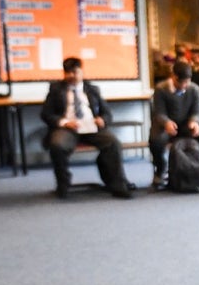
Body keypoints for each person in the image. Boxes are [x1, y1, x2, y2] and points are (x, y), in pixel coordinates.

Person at [40, 57, 132, 200]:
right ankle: (63, 184)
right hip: (68, 128)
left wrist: (102, 120)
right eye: (68, 73)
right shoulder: (56, 89)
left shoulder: (92, 89)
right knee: (57, 145)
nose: (71, 76)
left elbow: (107, 113)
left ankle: (118, 185)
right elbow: (46, 114)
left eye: (75, 72)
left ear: (81, 72)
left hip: (91, 127)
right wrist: (65, 122)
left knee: (113, 143)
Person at [151, 60, 199, 189]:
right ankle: (161, 168)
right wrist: (166, 122)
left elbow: (197, 112)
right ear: (173, 77)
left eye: (187, 82)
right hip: (165, 124)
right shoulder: (161, 89)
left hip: (186, 124)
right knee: (156, 140)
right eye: (181, 82)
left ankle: (194, 163)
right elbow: (159, 113)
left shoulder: (195, 89)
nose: (184, 85)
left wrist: (194, 122)